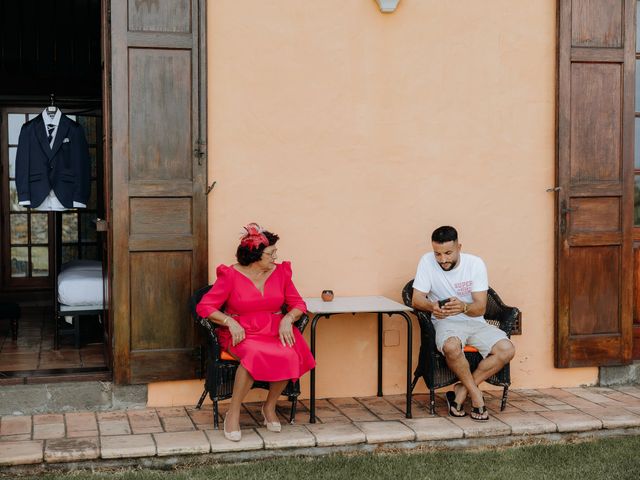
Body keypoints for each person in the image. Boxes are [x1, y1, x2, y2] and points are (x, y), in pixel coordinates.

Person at [196, 223, 315, 441]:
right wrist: (228, 321)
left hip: (274, 330)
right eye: (271, 253)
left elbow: (298, 304)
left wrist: (288, 319)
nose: (275, 257)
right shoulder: (230, 275)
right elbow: (205, 307)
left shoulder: (281, 273)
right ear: (255, 255)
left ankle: (269, 407)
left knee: (289, 353)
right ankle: (233, 413)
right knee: (253, 354)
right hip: (242, 333)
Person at [411, 226, 515, 421]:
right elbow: (416, 299)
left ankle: (462, 391)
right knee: (451, 346)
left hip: (474, 321)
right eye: (438, 254)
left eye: (448, 253)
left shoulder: (475, 264)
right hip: (445, 322)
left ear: (459, 247)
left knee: (507, 349)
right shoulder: (426, 261)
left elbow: (480, 308)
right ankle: (475, 394)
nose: (443, 259)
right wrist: (432, 306)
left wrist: (463, 308)